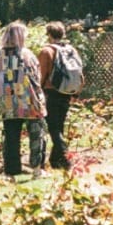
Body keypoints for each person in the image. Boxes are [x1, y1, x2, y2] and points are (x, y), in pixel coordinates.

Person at [0, 22, 46, 176]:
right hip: (29, 101)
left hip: (8, 101)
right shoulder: (27, 54)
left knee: (11, 136)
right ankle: (37, 168)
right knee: (36, 134)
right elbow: (36, 77)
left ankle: (11, 171)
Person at [36, 23, 76, 170]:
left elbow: (41, 75)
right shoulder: (70, 50)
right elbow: (79, 74)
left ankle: (66, 158)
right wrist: (75, 92)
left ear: (49, 34)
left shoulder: (47, 51)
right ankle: (55, 160)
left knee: (53, 128)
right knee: (59, 126)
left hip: (51, 92)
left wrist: (37, 91)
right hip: (66, 92)